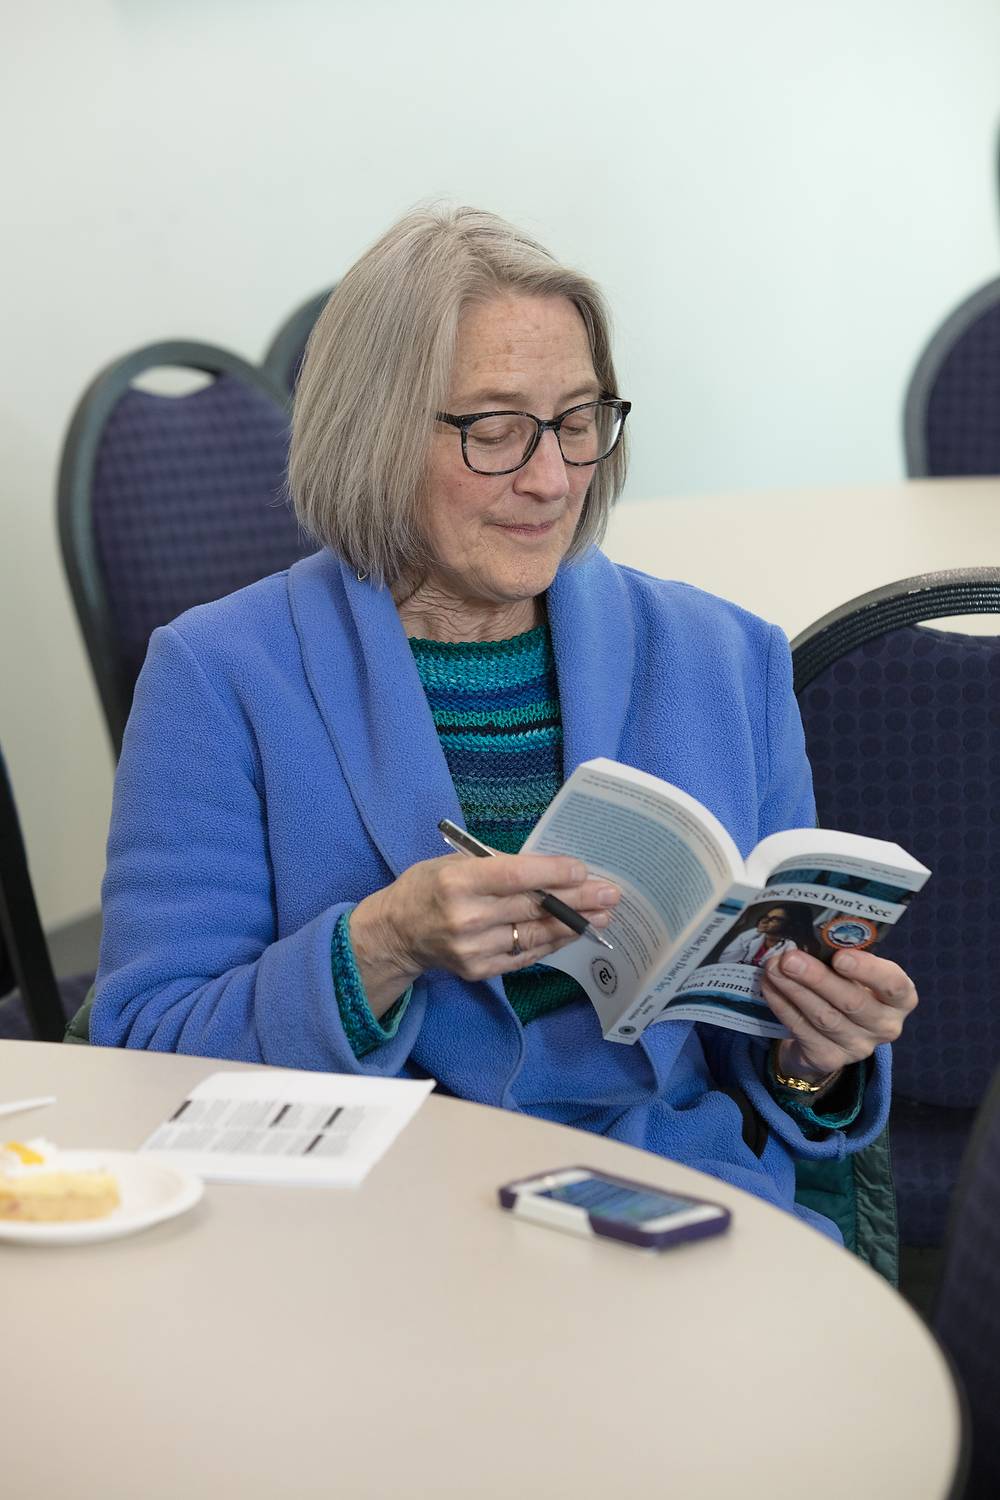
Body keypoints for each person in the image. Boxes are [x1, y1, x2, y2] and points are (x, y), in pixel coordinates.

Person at [91, 205, 918, 1241]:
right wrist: (380, 944)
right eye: (493, 430)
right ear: (376, 433)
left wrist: (816, 1052)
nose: (551, 477)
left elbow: (767, 1083)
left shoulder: (724, 659)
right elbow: (144, 1060)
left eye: (577, 421)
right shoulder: (219, 675)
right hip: (366, 1224)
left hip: (672, 1202)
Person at [718, 905, 817, 967]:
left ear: (790, 924)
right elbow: (725, 960)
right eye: (765, 917)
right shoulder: (751, 935)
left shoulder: (795, 947)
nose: (764, 921)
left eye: (774, 919)